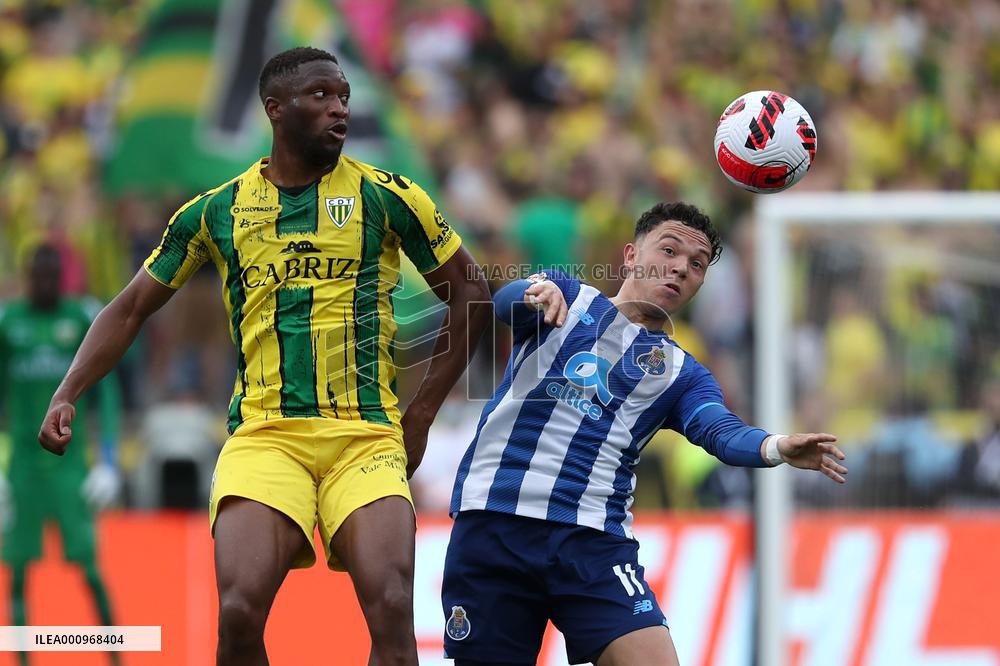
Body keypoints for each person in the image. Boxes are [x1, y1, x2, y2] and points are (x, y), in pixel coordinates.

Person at [38, 47, 490, 666]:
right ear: (275, 109)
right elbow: (131, 307)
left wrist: (421, 415)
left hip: (365, 436)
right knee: (238, 611)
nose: (339, 109)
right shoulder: (217, 211)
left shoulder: (389, 196)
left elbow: (472, 293)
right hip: (266, 435)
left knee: (390, 605)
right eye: (321, 96)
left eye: (344, 97)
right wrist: (68, 390)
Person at [442, 202, 848, 666]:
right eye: (669, 250)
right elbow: (504, 304)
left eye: (697, 265)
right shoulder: (567, 296)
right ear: (631, 255)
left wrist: (775, 446)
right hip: (495, 520)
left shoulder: (681, 373)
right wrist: (534, 294)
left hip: (591, 540)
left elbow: (719, 430)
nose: (681, 268)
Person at [0, 244, 122, 666]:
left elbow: (107, 391)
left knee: (90, 569)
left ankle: (116, 658)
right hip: (22, 469)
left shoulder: (81, 319)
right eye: (37, 276)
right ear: (27, 278)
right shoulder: (8, 322)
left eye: (52, 276)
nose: (44, 284)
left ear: (61, 278)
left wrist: (108, 461)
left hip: (70, 468)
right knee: (17, 572)